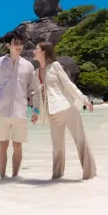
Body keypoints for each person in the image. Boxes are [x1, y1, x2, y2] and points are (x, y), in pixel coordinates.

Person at [31, 42, 97, 180]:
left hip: (68, 108)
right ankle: (56, 177)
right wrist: (35, 112)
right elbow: (37, 95)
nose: (33, 51)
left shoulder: (55, 66)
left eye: (36, 49)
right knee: (57, 147)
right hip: (52, 113)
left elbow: (68, 84)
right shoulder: (35, 73)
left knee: (81, 141)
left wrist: (83, 98)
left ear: (43, 52)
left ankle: (90, 176)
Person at [0, 31, 35, 179]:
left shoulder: (28, 66)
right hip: (1, 111)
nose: (19, 46)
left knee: (18, 146)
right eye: (16, 44)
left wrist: (35, 109)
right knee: (2, 145)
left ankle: (14, 177)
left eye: (21, 43)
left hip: (20, 112)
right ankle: (2, 177)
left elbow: (32, 89)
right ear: (8, 45)